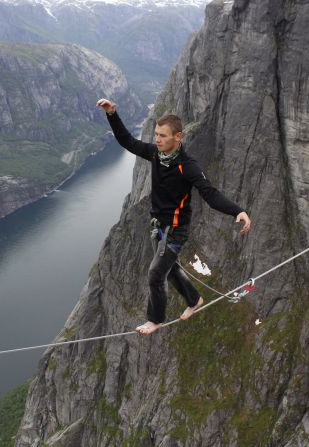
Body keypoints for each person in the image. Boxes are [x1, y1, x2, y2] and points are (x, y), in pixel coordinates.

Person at [96, 98, 251, 334]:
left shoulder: (187, 166)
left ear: (177, 137)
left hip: (176, 230)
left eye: (163, 136)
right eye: (156, 134)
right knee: (171, 270)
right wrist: (112, 114)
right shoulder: (155, 154)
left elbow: (210, 193)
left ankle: (155, 320)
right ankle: (194, 300)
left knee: (156, 274)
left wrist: (237, 210)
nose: (157, 139)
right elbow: (127, 141)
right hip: (158, 226)